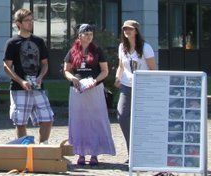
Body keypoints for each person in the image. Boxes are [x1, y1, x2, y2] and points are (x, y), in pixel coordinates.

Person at [63, 23, 116, 166]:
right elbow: (66, 70)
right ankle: (80, 153)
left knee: (95, 120)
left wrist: (96, 81)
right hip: (78, 90)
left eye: (91, 34)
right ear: (79, 36)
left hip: (94, 89)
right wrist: (72, 78)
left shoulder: (97, 51)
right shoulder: (73, 51)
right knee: (79, 120)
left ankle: (94, 153)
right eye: (86, 34)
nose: (88, 37)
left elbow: (104, 71)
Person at [3, 8, 54, 144]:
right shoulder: (12, 43)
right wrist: (21, 81)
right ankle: (25, 149)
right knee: (20, 122)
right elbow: (6, 67)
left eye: (31, 20)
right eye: (27, 20)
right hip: (19, 88)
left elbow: (45, 64)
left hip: (37, 86)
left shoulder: (39, 41)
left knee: (48, 118)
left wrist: (41, 76)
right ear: (18, 23)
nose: (30, 23)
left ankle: (43, 147)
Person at [115, 19, 156, 152]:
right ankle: (131, 150)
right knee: (122, 116)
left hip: (142, 87)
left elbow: (153, 69)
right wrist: (118, 78)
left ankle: (143, 151)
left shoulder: (145, 47)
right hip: (126, 86)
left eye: (130, 29)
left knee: (141, 119)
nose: (127, 31)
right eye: (125, 29)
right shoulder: (122, 47)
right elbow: (121, 66)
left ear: (136, 31)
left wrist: (150, 87)